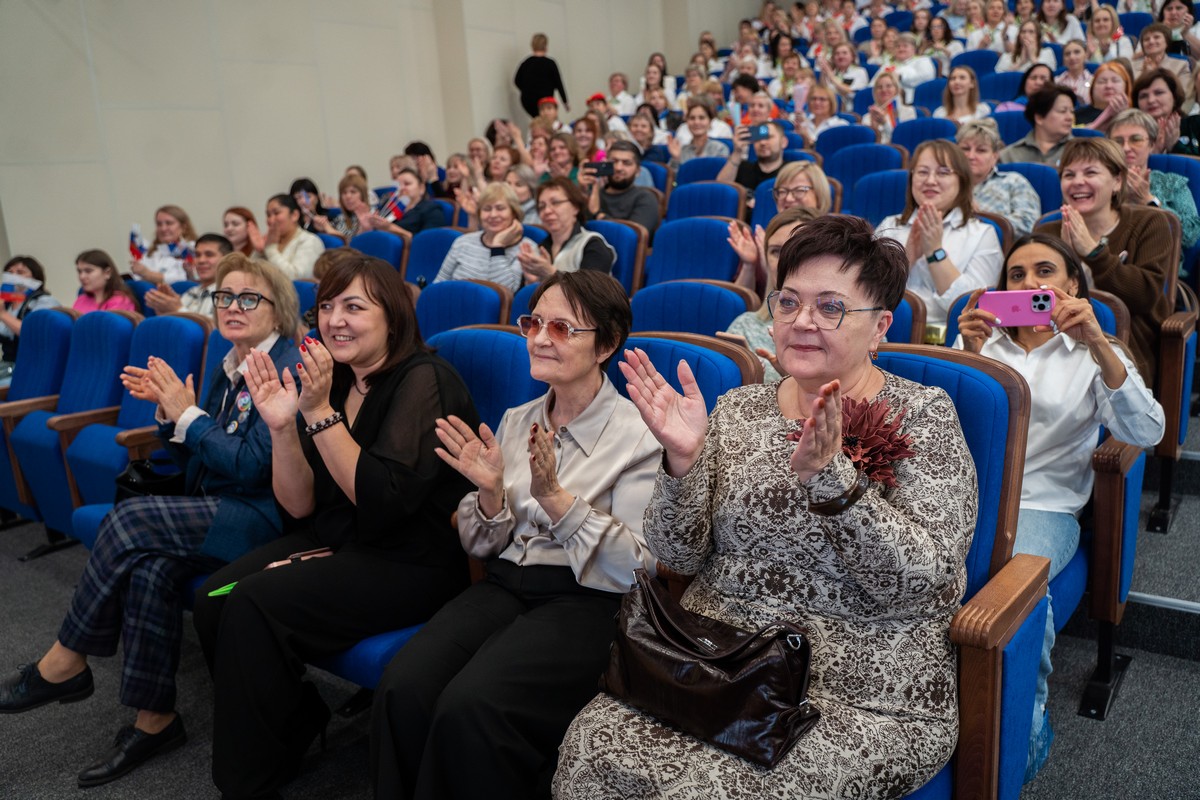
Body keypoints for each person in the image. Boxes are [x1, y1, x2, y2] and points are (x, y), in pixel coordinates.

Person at [554, 214, 978, 798]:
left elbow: (923, 583)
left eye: (831, 307)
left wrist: (834, 483)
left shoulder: (925, 415)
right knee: (588, 751)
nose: (801, 321)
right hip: (715, 663)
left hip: (857, 690)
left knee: (709, 792)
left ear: (880, 326)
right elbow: (678, 555)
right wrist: (683, 462)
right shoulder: (737, 408)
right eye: (789, 302)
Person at [0, 254, 300, 786]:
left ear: (278, 311)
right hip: (216, 507)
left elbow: (253, 468)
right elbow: (200, 458)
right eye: (223, 296)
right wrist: (170, 416)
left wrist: (190, 416)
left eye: (248, 297)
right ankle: (154, 718)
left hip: (265, 520)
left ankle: (66, 659)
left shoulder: (286, 366)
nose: (232, 306)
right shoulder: (231, 361)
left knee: (130, 520)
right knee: (148, 568)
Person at [193, 256, 479, 799]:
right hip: (337, 540)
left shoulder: (425, 380)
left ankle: (247, 783)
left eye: (354, 307)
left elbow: (381, 502)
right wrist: (283, 426)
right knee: (214, 598)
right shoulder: (336, 379)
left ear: (392, 317)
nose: (335, 320)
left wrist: (320, 413)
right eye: (326, 306)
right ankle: (297, 718)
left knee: (251, 601)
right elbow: (299, 504)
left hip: (408, 559)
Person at [370, 270, 661, 799]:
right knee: (403, 685)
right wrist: (489, 497)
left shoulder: (638, 435)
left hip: (586, 602)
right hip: (504, 584)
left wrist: (556, 501)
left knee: (472, 708)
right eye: (534, 323)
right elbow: (481, 545)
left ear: (606, 345)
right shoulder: (517, 419)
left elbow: (637, 569)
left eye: (562, 328)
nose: (540, 338)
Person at [954, 233, 1163, 782]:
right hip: (967, 499)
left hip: (1044, 507)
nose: (1029, 283)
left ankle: (1023, 741)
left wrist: (1098, 344)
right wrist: (966, 356)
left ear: (1072, 284)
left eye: (1044, 272)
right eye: (1016, 275)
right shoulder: (981, 341)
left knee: (1010, 596)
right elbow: (943, 435)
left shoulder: (1095, 352)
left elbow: (1148, 431)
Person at [1036, 138, 1175, 383]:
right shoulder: (1047, 231)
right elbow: (1033, 298)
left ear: (1117, 181)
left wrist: (1093, 252)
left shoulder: (1149, 223)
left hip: (1124, 349)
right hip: (1053, 345)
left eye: (1090, 173)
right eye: (1069, 175)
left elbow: (1144, 296)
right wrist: (1066, 261)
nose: (1078, 182)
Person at [876, 140, 1003, 330]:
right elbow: (867, 293)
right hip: (886, 333)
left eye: (943, 173)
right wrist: (906, 258)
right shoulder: (890, 226)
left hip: (952, 339)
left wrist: (935, 252)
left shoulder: (983, 234)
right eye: (922, 172)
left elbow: (974, 308)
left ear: (962, 180)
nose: (930, 181)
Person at [725, 207, 821, 379]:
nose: (784, 261)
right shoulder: (744, 326)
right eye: (776, 251)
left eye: (797, 250)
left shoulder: (840, 327)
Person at [1109, 108, 1200, 250]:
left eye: (1136, 139)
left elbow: (1190, 236)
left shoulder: (1172, 182)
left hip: (1161, 260)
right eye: (1118, 141)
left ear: (1151, 144)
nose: (1126, 148)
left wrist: (1149, 200)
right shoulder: (1099, 183)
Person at [434, 182, 533, 292]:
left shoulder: (526, 248)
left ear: (514, 213)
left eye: (500, 208)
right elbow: (438, 285)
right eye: (487, 209)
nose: (493, 215)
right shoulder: (462, 242)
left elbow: (504, 293)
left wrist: (497, 246)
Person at [517, 178, 616, 281]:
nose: (547, 211)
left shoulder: (593, 245)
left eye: (555, 203)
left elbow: (590, 289)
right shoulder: (541, 248)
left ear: (575, 207)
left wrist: (550, 273)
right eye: (542, 206)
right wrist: (531, 282)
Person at [958, 119, 1042, 236]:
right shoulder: (944, 184)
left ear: (995, 156)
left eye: (981, 150)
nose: (971, 156)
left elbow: (1029, 225)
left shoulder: (1014, 182)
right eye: (965, 149)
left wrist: (980, 218)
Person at [582, 141, 662, 240]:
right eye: (614, 161)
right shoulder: (594, 195)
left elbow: (633, 238)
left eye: (626, 163)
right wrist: (582, 190)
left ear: (638, 171)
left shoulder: (645, 197)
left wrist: (598, 214)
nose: (618, 168)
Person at [143, 234, 233, 316]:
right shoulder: (190, 292)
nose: (201, 260)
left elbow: (213, 327)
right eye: (197, 255)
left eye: (209, 255)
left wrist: (178, 309)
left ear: (227, 260)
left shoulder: (230, 295)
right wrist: (165, 309)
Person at [0, 255, 60, 364]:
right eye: (9, 272)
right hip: (8, 363)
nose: (13, 276)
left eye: (20, 272)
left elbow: (33, 333)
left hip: (34, 363)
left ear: (35, 277)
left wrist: (3, 315)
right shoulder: (6, 304)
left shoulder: (45, 301)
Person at [999, 86, 1077, 165]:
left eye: (1072, 112)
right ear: (1039, 118)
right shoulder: (1009, 156)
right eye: (1062, 111)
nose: (1070, 117)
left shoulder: (1079, 151)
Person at [256, 194, 325, 279]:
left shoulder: (310, 241)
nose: (271, 220)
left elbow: (297, 278)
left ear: (294, 215)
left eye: (276, 213)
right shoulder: (270, 241)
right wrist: (259, 251)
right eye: (268, 215)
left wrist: (270, 249)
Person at [1133, 68, 1200, 154]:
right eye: (1143, 96)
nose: (1151, 100)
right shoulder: (1130, 132)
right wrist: (1154, 154)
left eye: (1158, 93)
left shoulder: (1194, 125)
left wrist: (1175, 146)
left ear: (1174, 96)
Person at [130, 205, 198, 284]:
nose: (163, 228)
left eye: (169, 223)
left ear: (183, 227)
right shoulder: (150, 253)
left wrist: (149, 274)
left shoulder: (193, 250)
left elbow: (189, 279)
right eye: (159, 224)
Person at [717, 120, 789, 193]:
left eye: (768, 137)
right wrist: (737, 152)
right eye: (758, 138)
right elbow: (721, 190)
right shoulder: (743, 168)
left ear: (783, 142)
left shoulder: (791, 172)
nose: (762, 142)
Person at [1132, 24, 1193, 106]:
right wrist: (1144, 74)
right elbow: (1130, 94)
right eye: (1146, 39)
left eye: (1156, 37)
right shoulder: (1132, 66)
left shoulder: (1181, 65)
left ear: (1166, 42)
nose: (1151, 41)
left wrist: (1156, 72)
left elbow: (1184, 94)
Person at [515, 33, 568, 118]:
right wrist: (565, 102)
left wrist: (527, 90)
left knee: (537, 119)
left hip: (528, 100)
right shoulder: (550, 63)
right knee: (546, 120)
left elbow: (517, 81)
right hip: (545, 100)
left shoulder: (526, 63)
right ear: (545, 47)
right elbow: (559, 83)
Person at [668, 97, 731, 167]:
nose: (696, 122)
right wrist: (676, 158)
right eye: (692, 118)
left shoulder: (719, 149)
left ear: (710, 121)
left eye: (702, 118)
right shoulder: (682, 151)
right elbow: (676, 173)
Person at [73, 249, 138, 313]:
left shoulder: (121, 301)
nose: (82, 277)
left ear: (107, 273)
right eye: (79, 272)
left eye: (88, 271)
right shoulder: (81, 300)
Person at [313, 173, 372, 241]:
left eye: (353, 192)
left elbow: (353, 245)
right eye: (344, 193)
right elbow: (337, 244)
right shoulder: (339, 219)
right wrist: (323, 230)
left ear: (363, 195)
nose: (348, 196)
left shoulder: (373, 216)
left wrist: (329, 230)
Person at [1075, 61, 1133, 130]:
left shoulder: (1135, 115)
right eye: (1102, 82)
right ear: (1092, 88)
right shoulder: (1075, 116)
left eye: (1115, 81)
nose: (1108, 86)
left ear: (1126, 86)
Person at [866, 72, 917, 143]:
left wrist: (885, 123)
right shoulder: (867, 117)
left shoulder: (908, 112)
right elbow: (868, 144)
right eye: (879, 87)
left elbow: (903, 139)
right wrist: (874, 128)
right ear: (875, 92)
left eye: (888, 86)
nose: (884, 90)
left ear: (896, 89)